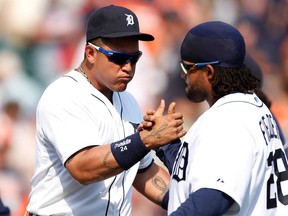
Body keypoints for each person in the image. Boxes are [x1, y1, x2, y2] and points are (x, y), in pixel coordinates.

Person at [26, 5, 185, 216]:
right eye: (119, 58)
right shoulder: (63, 95)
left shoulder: (128, 101)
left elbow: (142, 171)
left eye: (134, 58)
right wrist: (144, 141)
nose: (128, 67)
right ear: (91, 53)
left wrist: (195, 203)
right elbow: (82, 168)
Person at [164, 21, 288, 215]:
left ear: (209, 72)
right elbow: (206, 173)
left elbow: (211, 200)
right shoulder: (255, 109)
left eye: (187, 67)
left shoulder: (228, 122)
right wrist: (166, 146)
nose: (182, 74)